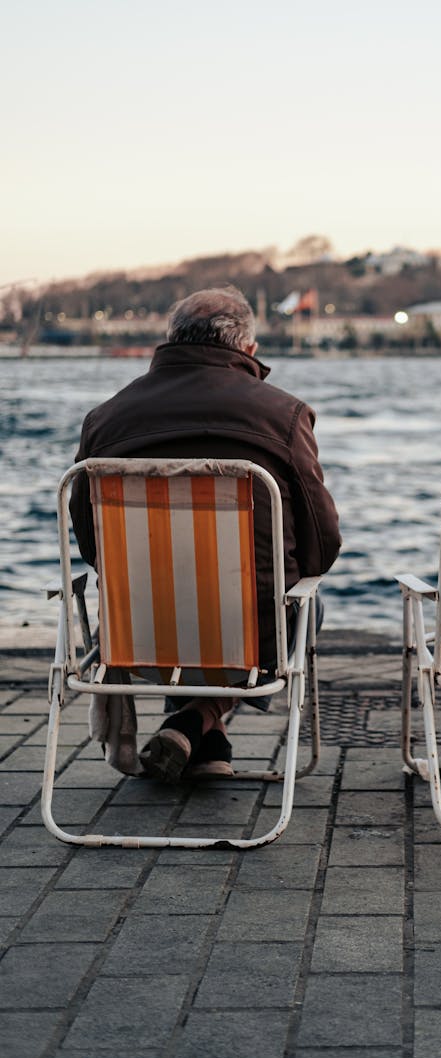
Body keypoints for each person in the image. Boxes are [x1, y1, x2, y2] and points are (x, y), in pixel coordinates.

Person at [70, 286, 341, 782]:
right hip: (253, 634)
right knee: (307, 603)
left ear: (169, 340)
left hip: (135, 634)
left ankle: (200, 736)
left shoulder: (104, 419)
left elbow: (90, 545)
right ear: (249, 351)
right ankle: (199, 721)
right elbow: (322, 546)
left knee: (178, 594)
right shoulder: (283, 415)